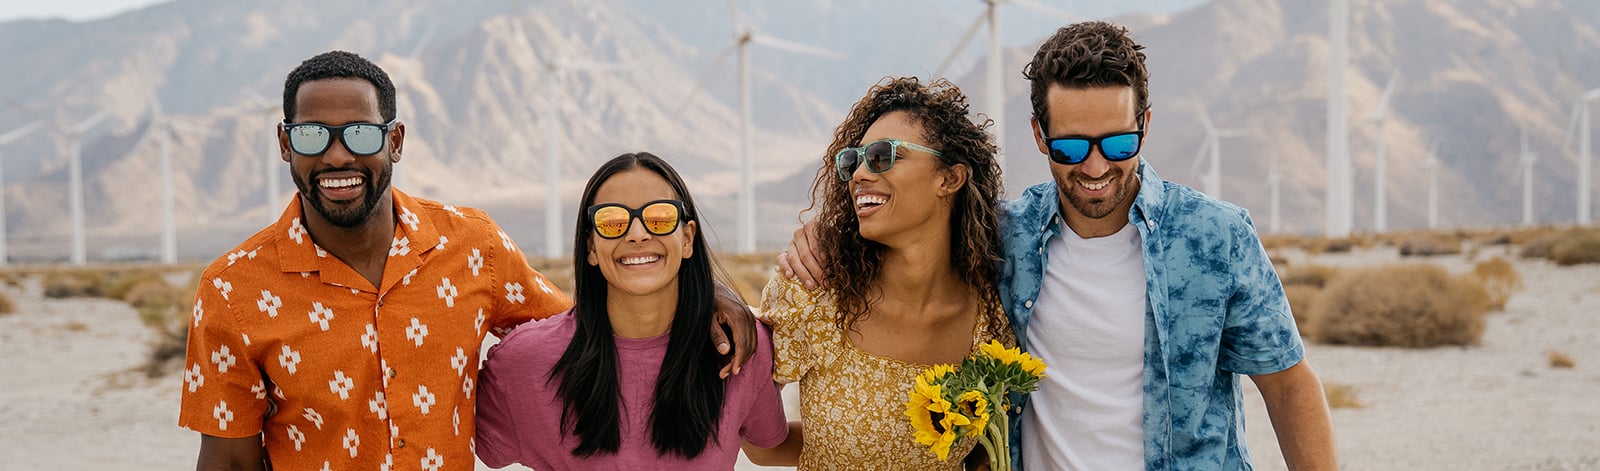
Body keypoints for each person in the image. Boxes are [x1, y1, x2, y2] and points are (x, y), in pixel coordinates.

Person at [781, 21, 1336, 470]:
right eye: (1070, 148)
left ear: (1144, 124)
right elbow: (906, 223)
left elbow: (1288, 389)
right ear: (1039, 135)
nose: (1096, 167)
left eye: (1118, 142)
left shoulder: (1216, 239)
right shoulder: (1002, 237)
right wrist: (821, 240)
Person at [178, 51, 756, 471]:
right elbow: (227, 460)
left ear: (395, 141)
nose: (336, 155)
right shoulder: (233, 289)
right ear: (285, 145)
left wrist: (703, 300)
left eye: (359, 133)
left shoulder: (471, 246)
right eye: (310, 136)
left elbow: (581, 329)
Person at [746, 77, 1015, 470]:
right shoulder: (812, 292)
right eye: (854, 161)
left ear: (949, 178)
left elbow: (983, 454)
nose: (859, 174)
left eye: (883, 156)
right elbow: (762, 446)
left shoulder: (994, 317)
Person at [474, 152, 788, 469]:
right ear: (591, 248)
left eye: (660, 217)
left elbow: (771, 447)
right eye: (612, 222)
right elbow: (441, 438)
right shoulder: (524, 362)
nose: (637, 233)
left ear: (688, 238)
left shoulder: (741, 348)